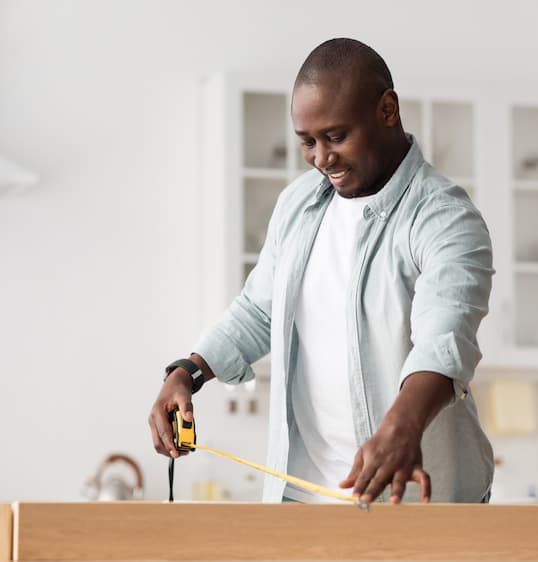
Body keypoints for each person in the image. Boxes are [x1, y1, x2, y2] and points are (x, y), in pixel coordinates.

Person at [149, 38, 494, 504]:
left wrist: (401, 427)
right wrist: (188, 372)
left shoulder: (444, 217)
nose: (321, 158)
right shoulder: (297, 205)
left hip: (414, 501)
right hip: (302, 496)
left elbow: (444, 339)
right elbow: (259, 311)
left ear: (387, 110)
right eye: (308, 142)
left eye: (336, 136)